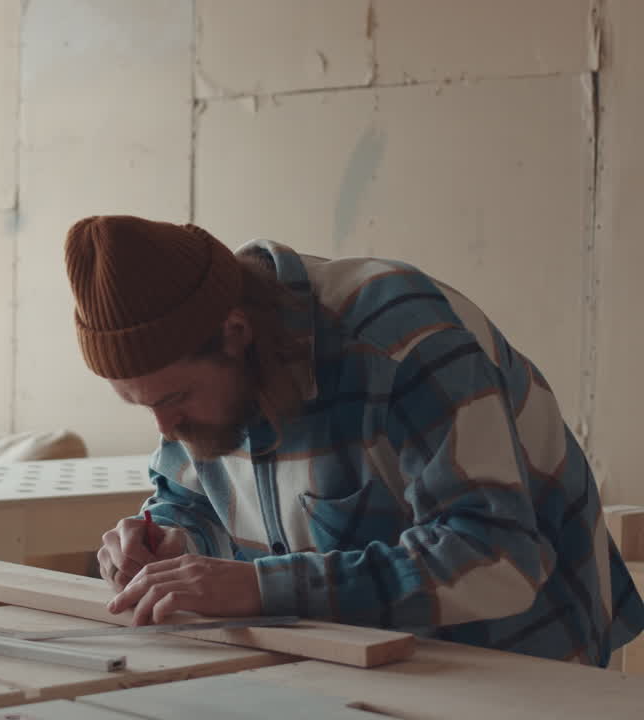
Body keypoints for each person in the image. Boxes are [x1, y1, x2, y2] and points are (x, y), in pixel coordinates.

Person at [64, 214, 644, 666]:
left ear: (235, 334)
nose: (165, 429)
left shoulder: (402, 339)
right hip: (360, 659)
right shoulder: (197, 371)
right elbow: (191, 496)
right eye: (142, 406)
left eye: (172, 401)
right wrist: (171, 540)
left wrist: (264, 588)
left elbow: (496, 561)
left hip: (522, 657)